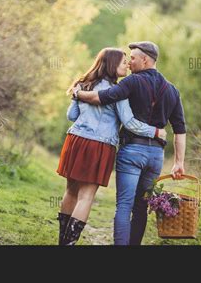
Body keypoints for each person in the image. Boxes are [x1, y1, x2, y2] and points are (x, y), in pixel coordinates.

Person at [74, 41, 186, 245]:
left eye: (133, 58)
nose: (130, 62)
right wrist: (179, 162)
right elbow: (180, 130)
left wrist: (77, 93)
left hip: (132, 152)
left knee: (124, 206)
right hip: (156, 157)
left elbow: (101, 97)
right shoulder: (172, 90)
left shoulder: (132, 82)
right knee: (141, 206)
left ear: (145, 60)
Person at [57, 47, 166, 245]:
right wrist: (155, 131)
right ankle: (70, 243)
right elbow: (129, 121)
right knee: (86, 196)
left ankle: (62, 243)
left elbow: (71, 116)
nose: (127, 65)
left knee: (71, 192)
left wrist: (78, 95)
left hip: (75, 140)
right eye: (123, 61)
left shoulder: (83, 84)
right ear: (111, 64)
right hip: (99, 146)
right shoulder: (118, 93)